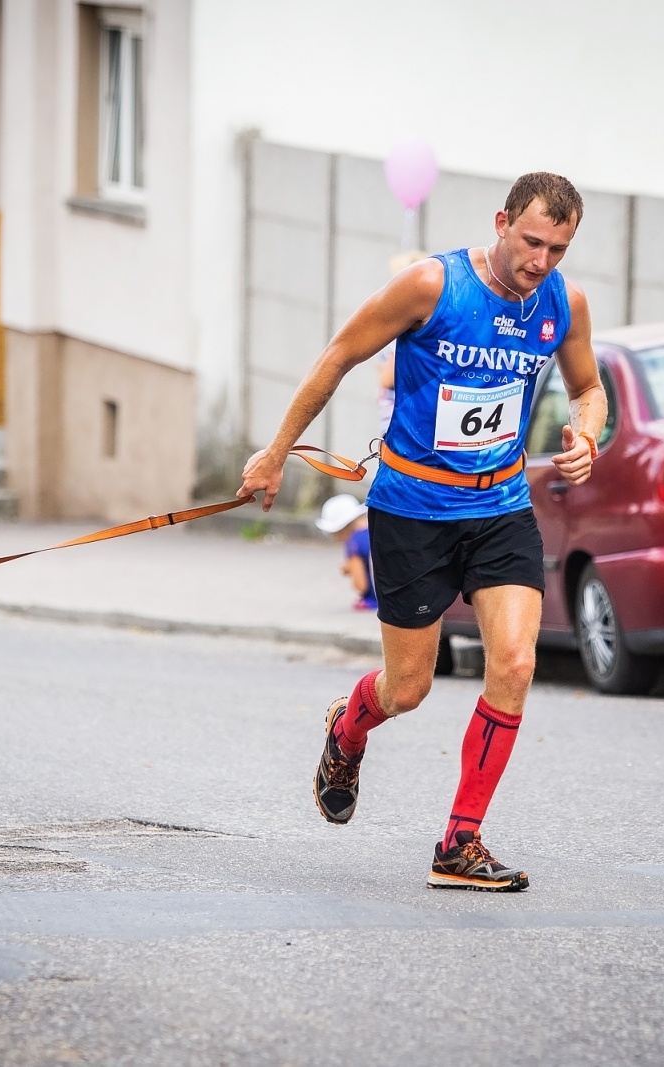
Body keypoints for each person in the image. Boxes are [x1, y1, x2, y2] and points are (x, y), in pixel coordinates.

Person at [238, 172, 606, 892]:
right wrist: (275, 451)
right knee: (409, 688)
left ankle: (459, 841)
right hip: (413, 510)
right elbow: (339, 355)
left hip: (499, 508)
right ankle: (349, 729)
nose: (541, 261)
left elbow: (588, 388)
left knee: (516, 663)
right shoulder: (432, 286)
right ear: (501, 222)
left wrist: (588, 435)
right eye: (531, 241)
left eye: (557, 249)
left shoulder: (564, 303)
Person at [316, 494, 377, 611]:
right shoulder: (375, 532)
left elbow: (361, 585)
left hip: (376, 601)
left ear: (341, 530)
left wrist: (352, 570)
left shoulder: (354, 542)